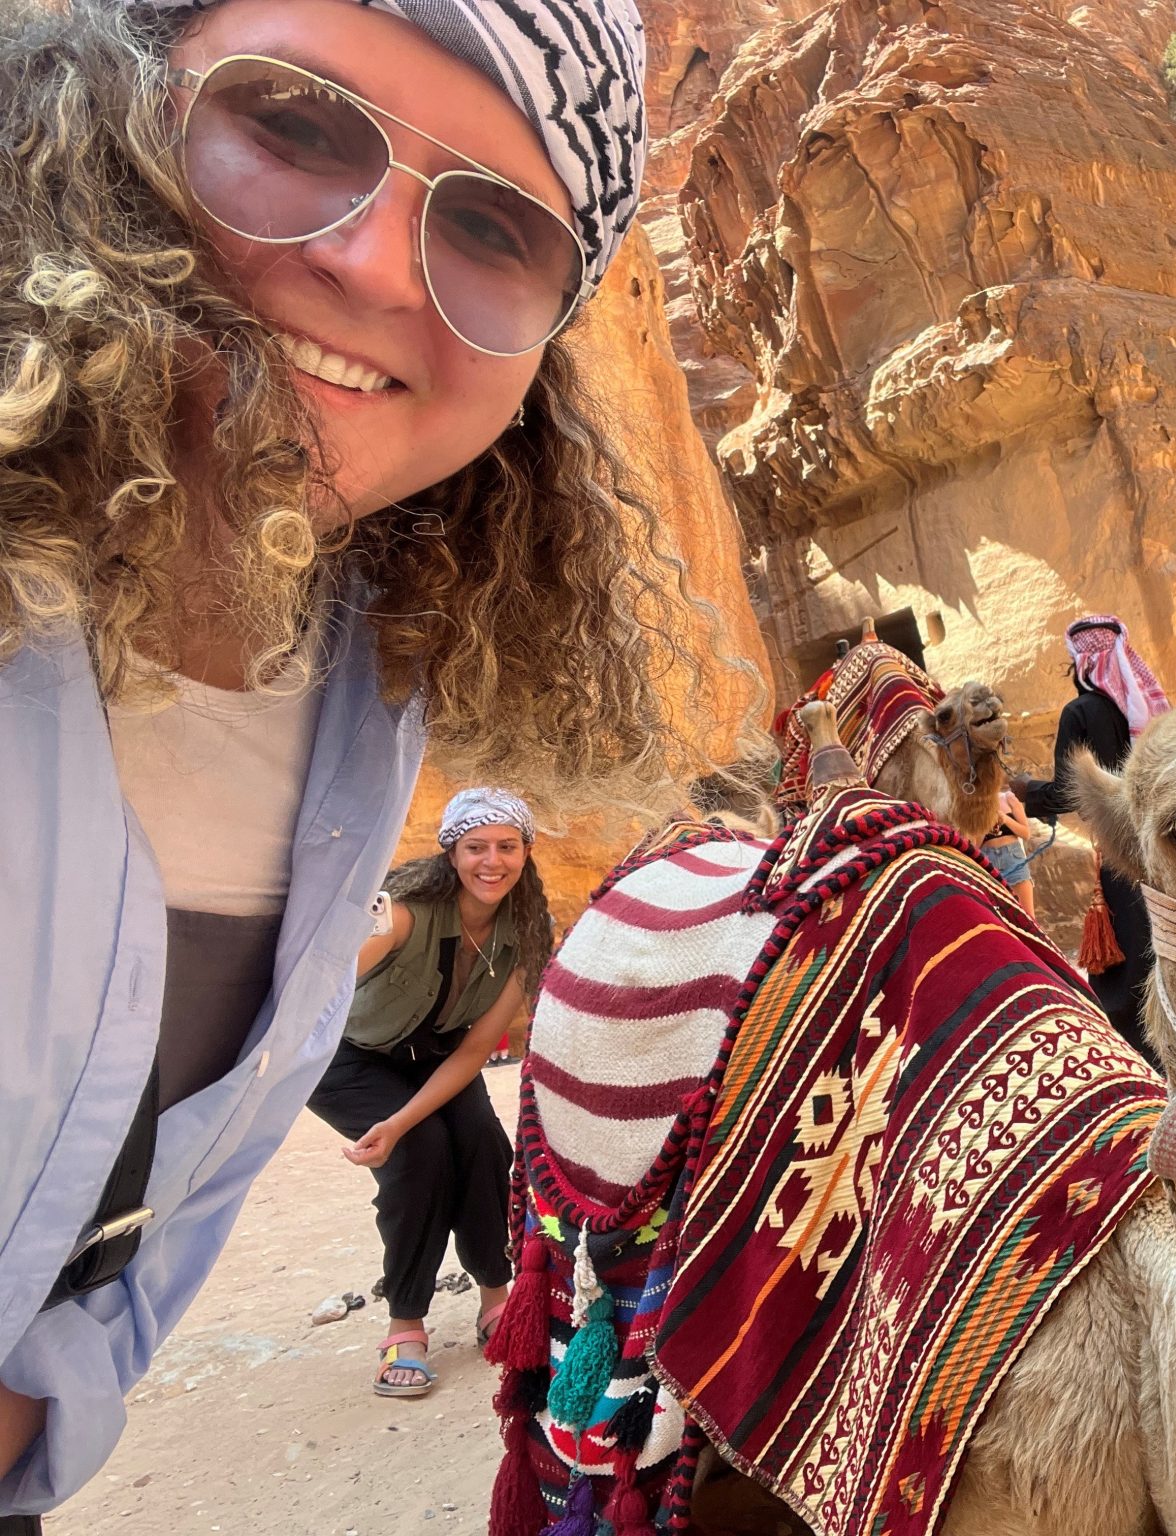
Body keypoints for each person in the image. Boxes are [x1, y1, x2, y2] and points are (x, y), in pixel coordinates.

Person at [0, 0, 718, 1519]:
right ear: (104, 107)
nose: (379, 263)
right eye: (296, 129)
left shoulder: (358, 687)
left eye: (494, 229)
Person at [307, 789, 549, 1399]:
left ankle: (497, 1297)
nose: (490, 861)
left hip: (440, 1058)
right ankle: (405, 1324)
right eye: (475, 847)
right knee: (418, 1155)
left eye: (506, 847)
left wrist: (406, 1116)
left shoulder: (529, 930)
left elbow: (475, 1051)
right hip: (350, 1059)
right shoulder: (405, 910)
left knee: (482, 1145)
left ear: (525, 854)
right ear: (451, 852)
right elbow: (322, 989)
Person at [1015, 614, 1170, 1065]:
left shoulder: (1079, 713)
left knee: (1130, 956)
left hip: (1119, 850)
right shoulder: (1144, 706)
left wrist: (1026, 792)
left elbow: (1068, 790)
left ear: (1080, 663)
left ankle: (1145, 1059)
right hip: (1160, 842)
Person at [981, 788, 1039, 922]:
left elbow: (1026, 833)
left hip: (1012, 857)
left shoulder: (1008, 798)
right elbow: (975, 845)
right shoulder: (973, 806)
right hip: (988, 861)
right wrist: (984, 824)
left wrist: (1005, 819)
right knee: (997, 918)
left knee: (1028, 917)